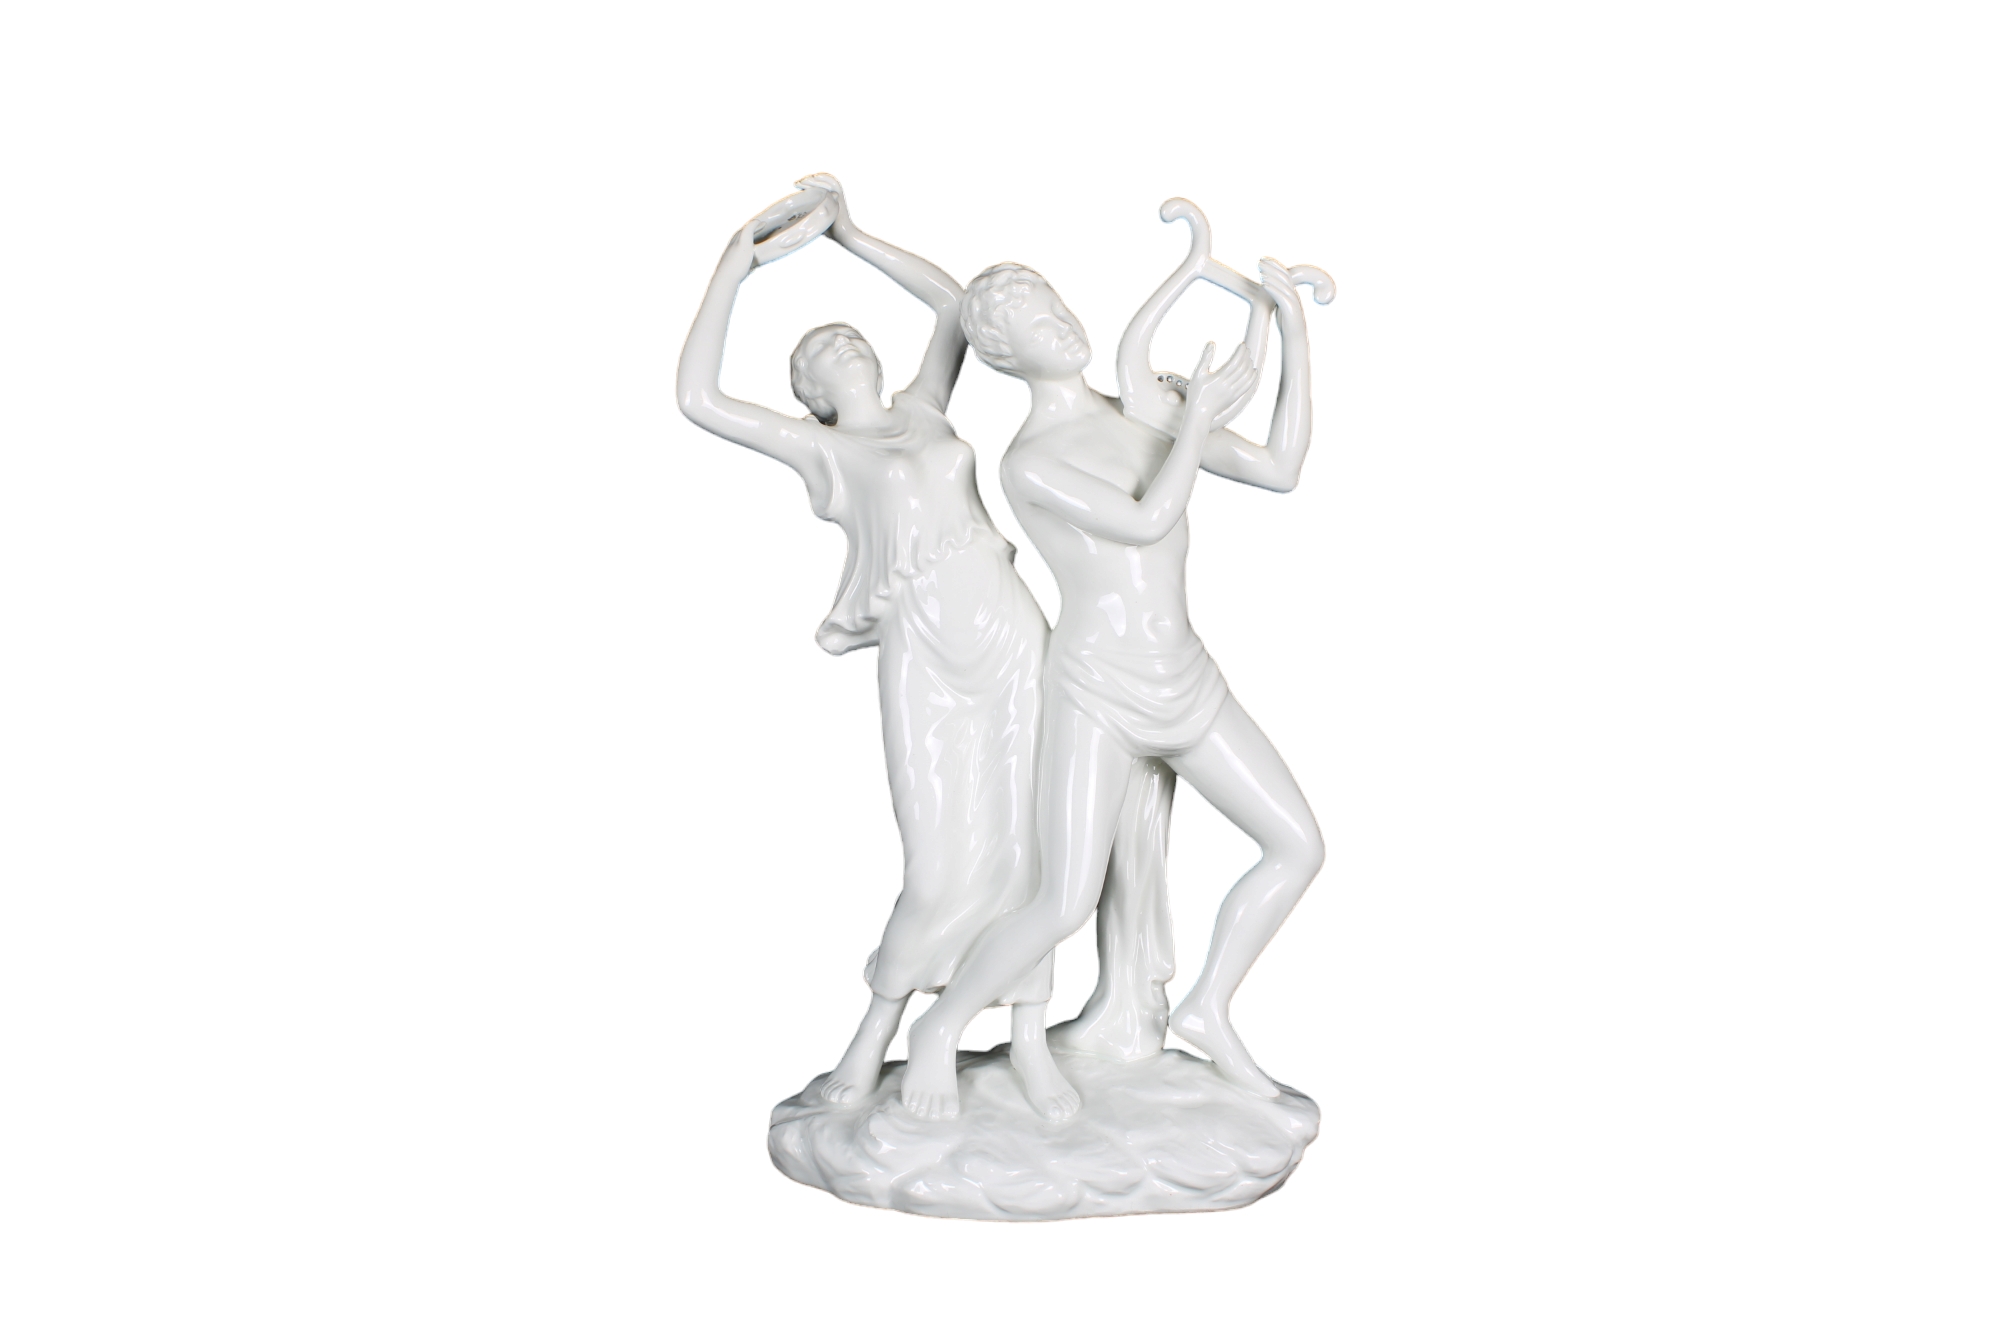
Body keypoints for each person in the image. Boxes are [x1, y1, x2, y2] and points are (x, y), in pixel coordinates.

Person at [676, 178, 1170, 1117]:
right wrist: (738, 263)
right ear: (812, 398)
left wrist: (851, 234)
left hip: (1009, 627)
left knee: (1033, 843)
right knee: (940, 857)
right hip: (926, 651)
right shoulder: (823, 452)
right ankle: (875, 1039)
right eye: (821, 351)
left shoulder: (928, 410)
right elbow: (698, 396)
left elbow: (951, 304)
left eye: (849, 336)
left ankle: (1030, 1041)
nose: (843, 345)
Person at [899, 248, 1326, 1121]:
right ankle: (939, 1027)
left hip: (1184, 676)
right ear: (1004, 355)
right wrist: (1193, 420)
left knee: (1297, 844)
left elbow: (1282, 468)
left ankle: (1207, 1006)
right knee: (1064, 899)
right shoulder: (1030, 461)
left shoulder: (1140, 414)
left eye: (1053, 302)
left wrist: (1291, 326)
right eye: (1032, 321)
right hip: (1097, 691)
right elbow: (1144, 517)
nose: (1058, 322)